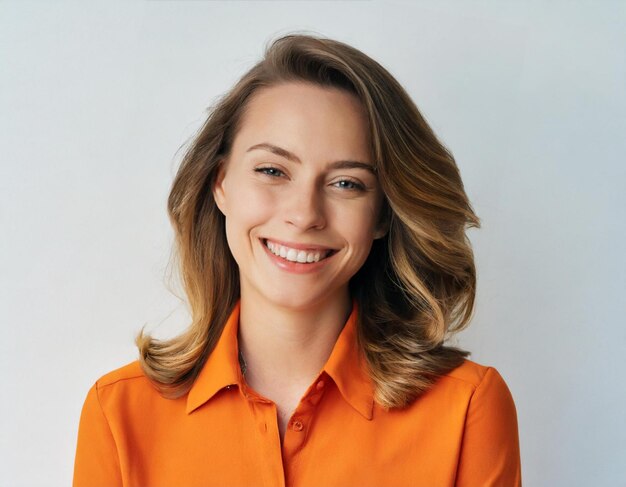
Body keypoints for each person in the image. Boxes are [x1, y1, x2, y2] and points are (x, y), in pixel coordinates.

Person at [73, 33, 521, 487]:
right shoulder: (118, 415)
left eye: (347, 183)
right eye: (273, 171)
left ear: (383, 213)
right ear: (221, 183)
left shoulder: (467, 409)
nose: (305, 215)